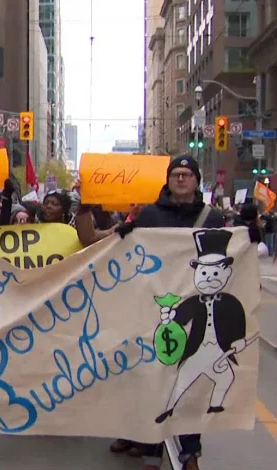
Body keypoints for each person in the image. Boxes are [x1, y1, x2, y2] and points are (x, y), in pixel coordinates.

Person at [114, 155, 226, 470]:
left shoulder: (212, 216)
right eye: (176, 174)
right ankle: (152, 451)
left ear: (196, 181)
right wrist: (123, 235)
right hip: (154, 308)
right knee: (154, 381)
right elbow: (128, 250)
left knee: (190, 385)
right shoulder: (149, 214)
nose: (180, 179)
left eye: (187, 174)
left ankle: (189, 453)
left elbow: (225, 253)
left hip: (197, 311)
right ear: (168, 179)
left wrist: (250, 238)